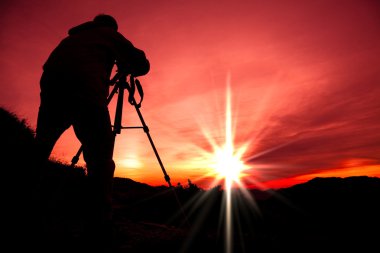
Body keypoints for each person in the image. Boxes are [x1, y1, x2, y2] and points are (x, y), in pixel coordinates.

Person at [35, 14, 150, 251]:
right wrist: (125, 62)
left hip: (50, 92)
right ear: (112, 27)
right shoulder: (109, 34)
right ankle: (99, 224)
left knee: (39, 150)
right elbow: (141, 64)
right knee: (100, 160)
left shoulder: (72, 38)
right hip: (85, 92)